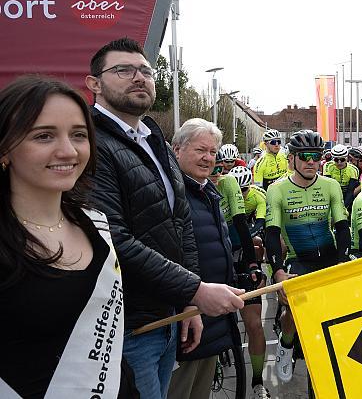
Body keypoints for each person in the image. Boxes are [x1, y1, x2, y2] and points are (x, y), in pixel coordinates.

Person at [85, 38, 244, 398]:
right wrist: (194, 290)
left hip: (167, 319)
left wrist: (187, 302)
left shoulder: (151, 139)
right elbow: (112, 239)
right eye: (123, 70)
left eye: (145, 70)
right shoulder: (91, 142)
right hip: (128, 327)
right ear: (94, 83)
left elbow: (181, 223)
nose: (138, 77)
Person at [0, 76, 127, 398]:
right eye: (44, 136)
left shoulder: (95, 225)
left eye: (79, 135)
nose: (68, 151)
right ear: (5, 148)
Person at [169, 119, 266, 399]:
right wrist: (188, 297)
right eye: (201, 150)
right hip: (189, 314)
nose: (208, 158)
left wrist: (243, 271)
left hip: (211, 314)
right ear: (177, 149)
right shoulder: (174, 193)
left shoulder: (207, 191)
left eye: (213, 152)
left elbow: (216, 247)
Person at [264, 130, 351, 383]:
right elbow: (272, 234)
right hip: (298, 258)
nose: (311, 161)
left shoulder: (330, 185)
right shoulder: (277, 190)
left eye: (316, 156)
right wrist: (277, 271)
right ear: (292, 159)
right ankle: (286, 343)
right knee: (292, 309)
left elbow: (342, 227)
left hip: (329, 256)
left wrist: (343, 260)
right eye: (304, 157)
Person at [227, 166, 270, 395]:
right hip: (221, 258)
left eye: (244, 190)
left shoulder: (258, 196)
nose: (241, 194)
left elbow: (257, 225)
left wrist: (254, 265)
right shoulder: (217, 191)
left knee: (254, 325)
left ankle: (257, 381)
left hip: (244, 255)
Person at [323, 144, 360, 210]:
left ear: (347, 158)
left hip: (347, 192)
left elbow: (350, 191)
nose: (339, 163)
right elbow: (328, 187)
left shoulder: (354, 169)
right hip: (333, 192)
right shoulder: (328, 166)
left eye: (342, 160)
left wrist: (344, 207)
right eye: (336, 160)